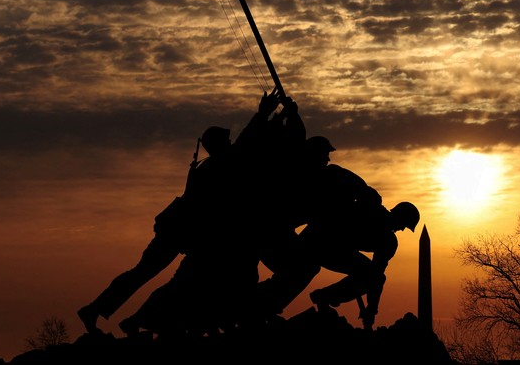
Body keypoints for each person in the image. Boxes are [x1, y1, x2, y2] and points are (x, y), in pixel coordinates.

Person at [77, 91, 282, 335]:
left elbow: (247, 145)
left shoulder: (214, 165)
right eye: (225, 142)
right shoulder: (216, 166)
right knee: (148, 274)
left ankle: (105, 312)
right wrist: (263, 115)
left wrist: (272, 120)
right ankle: (102, 311)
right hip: (177, 231)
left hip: (180, 231)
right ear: (218, 146)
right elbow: (246, 143)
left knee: (152, 275)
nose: (230, 144)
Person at [252, 135, 383, 319]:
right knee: (301, 268)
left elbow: (369, 195)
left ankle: (263, 304)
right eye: (324, 154)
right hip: (268, 232)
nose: (327, 159)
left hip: (282, 233)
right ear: (312, 154)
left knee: (305, 267)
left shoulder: (331, 175)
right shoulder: (298, 178)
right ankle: (258, 303)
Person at [304, 201, 420, 330]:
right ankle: (325, 296)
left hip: (326, 244)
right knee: (373, 276)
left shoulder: (376, 214)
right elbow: (376, 276)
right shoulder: (386, 236)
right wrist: (372, 309)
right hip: (325, 244)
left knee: (370, 275)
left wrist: (371, 307)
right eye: (404, 224)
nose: (402, 229)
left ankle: (325, 296)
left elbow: (375, 274)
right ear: (399, 217)